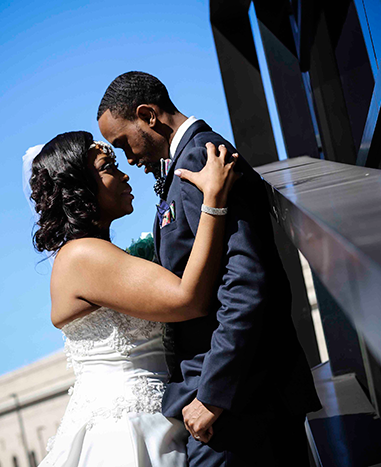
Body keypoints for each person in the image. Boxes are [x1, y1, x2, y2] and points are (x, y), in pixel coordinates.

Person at [97, 71, 322, 466]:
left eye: (124, 143)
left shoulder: (202, 157)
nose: (129, 160)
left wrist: (213, 394)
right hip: (241, 399)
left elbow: (246, 283)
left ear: (148, 115)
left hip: (240, 404)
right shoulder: (191, 161)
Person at [26, 130, 241, 466]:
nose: (125, 173)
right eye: (108, 166)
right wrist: (213, 200)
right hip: (124, 432)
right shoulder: (82, 256)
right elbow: (189, 299)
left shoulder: (96, 254)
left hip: (161, 417)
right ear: (80, 186)